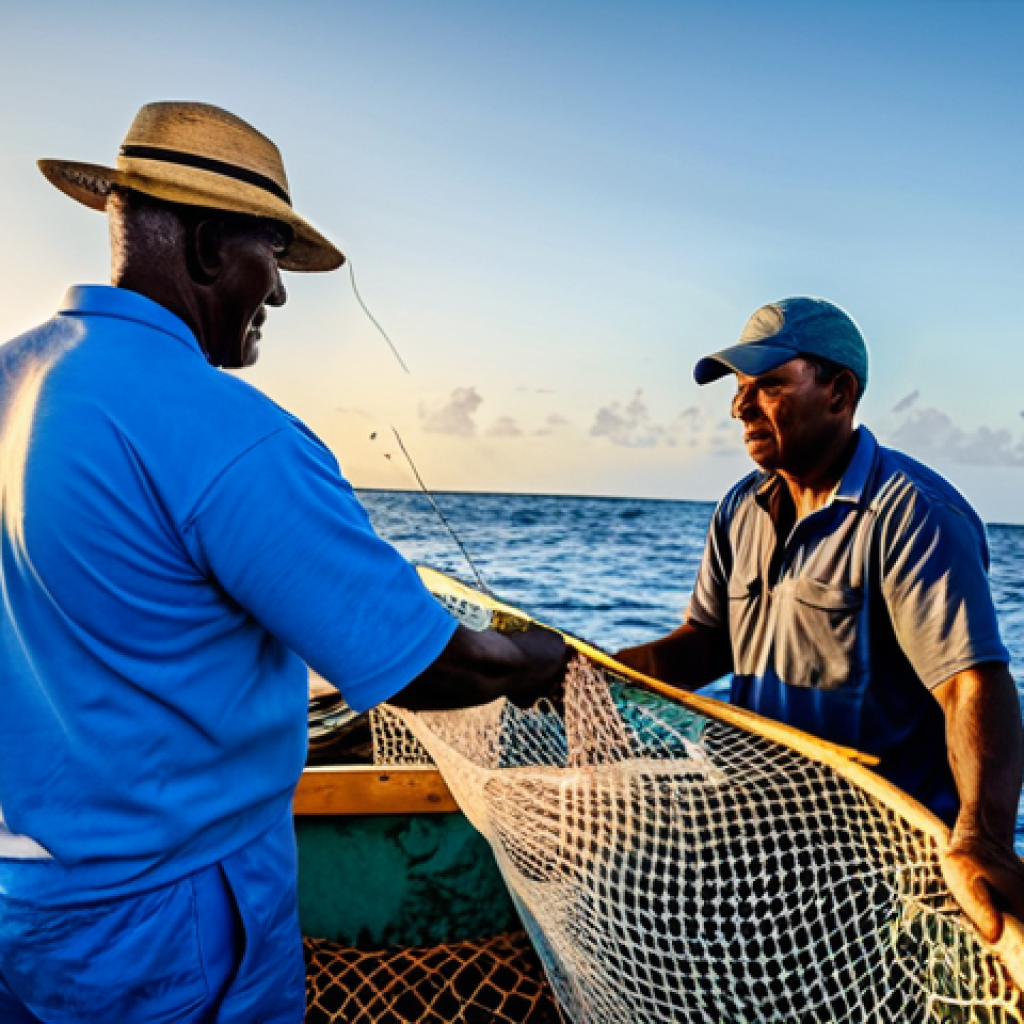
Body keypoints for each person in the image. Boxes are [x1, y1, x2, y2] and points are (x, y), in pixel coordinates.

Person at [0, 102, 566, 1023]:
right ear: (213, 248)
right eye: (274, 254)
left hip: (21, 904)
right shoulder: (232, 434)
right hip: (165, 913)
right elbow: (425, 664)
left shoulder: (12, 377)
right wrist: (533, 658)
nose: (281, 291)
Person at [615, 296, 1024, 944]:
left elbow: (971, 684)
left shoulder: (912, 514)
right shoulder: (739, 508)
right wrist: (582, 670)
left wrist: (984, 834)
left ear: (839, 392)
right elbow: (707, 644)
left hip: (879, 876)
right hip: (752, 844)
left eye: (769, 386)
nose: (740, 408)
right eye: (740, 390)